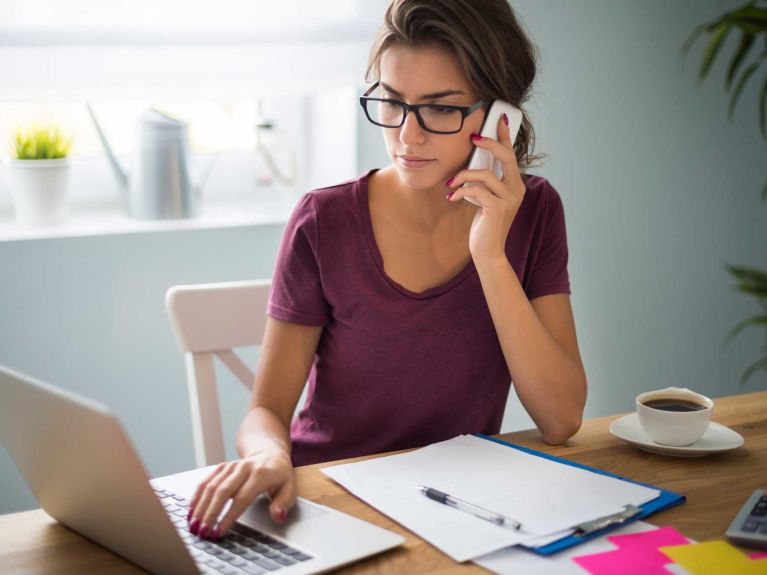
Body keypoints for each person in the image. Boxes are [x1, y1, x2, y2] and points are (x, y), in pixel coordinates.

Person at [186, 0, 587, 542]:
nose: (407, 135)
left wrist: (490, 254)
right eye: (392, 103)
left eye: (440, 109)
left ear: (501, 118)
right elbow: (265, 412)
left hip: (456, 510)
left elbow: (560, 420)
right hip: (327, 501)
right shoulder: (323, 221)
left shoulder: (533, 212)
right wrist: (269, 456)